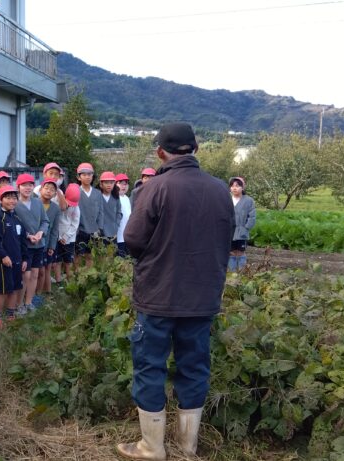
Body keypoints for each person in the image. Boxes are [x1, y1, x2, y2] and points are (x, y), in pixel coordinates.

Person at [119, 123, 234, 459]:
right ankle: (188, 448)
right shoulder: (219, 190)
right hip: (202, 299)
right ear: (196, 148)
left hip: (158, 296)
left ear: (160, 153)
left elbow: (134, 240)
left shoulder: (155, 188)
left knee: (150, 366)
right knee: (195, 367)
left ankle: (151, 447)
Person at [0, 185, 28, 327]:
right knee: (3, 289)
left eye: (14, 198)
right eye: (8, 197)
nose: (11, 200)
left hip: (18, 260)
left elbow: (23, 240)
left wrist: (25, 259)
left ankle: (11, 313)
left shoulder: (16, 218)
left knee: (15, 288)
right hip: (4, 261)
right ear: (1, 200)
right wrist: (3, 256)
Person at [14, 173, 49, 312]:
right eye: (24, 185)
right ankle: (19, 304)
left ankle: (29, 302)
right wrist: (28, 235)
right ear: (18, 187)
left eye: (30, 185)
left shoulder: (37, 202)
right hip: (24, 245)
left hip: (39, 244)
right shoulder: (15, 204)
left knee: (34, 274)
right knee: (25, 275)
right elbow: (15, 225)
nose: (27, 188)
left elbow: (45, 221)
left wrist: (41, 233)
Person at [75, 163, 103, 268]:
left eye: (90, 174)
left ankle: (88, 276)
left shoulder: (97, 193)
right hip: (80, 229)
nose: (87, 177)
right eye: (84, 174)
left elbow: (101, 212)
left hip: (94, 229)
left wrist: (99, 227)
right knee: (77, 254)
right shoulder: (76, 191)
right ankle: (76, 277)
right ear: (79, 177)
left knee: (90, 255)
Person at [37, 179, 61, 296]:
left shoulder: (56, 208)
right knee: (36, 270)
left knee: (47, 267)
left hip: (47, 244)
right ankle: (33, 293)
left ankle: (47, 291)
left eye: (52, 190)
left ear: (55, 194)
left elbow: (55, 229)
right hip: (34, 242)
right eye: (46, 188)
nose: (48, 191)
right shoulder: (34, 203)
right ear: (40, 189)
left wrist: (52, 246)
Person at [228, 176, 256, 271]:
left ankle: (242, 271)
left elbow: (252, 216)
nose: (234, 188)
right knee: (231, 252)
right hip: (229, 231)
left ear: (242, 187)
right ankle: (232, 272)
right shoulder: (227, 199)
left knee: (240, 252)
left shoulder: (249, 201)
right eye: (232, 186)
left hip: (242, 231)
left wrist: (246, 228)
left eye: (237, 185)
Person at [56, 184, 81, 282]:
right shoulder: (59, 203)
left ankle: (69, 281)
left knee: (68, 261)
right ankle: (58, 280)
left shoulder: (76, 208)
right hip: (57, 237)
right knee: (57, 261)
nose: (70, 205)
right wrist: (59, 237)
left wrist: (66, 236)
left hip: (69, 238)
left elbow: (75, 224)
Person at [98, 171, 123, 245]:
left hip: (113, 233)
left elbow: (119, 212)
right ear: (101, 184)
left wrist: (116, 225)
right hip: (99, 234)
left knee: (112, 254)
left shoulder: (116, 198)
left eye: (111, 183)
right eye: (106, 182)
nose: (109, 185)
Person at [115, 173, 132, 257]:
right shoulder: (114, 198)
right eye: (121, 183)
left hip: (127, 236)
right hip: (117, 236)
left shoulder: (127, 198)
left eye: (125, 184)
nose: (123, 186)